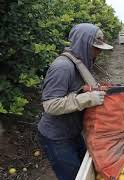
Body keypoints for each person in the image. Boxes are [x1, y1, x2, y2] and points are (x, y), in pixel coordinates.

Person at [37, 23, 113, 180]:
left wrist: (84, 91)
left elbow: (71, 92)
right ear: (83, 44)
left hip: (73, 132)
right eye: (96, 48)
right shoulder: (63, 67)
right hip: (57, 137)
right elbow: (49, 105)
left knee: (85, 171)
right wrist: (84, 99)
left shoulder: (79, 63)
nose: (98, 53)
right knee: (74, 176)